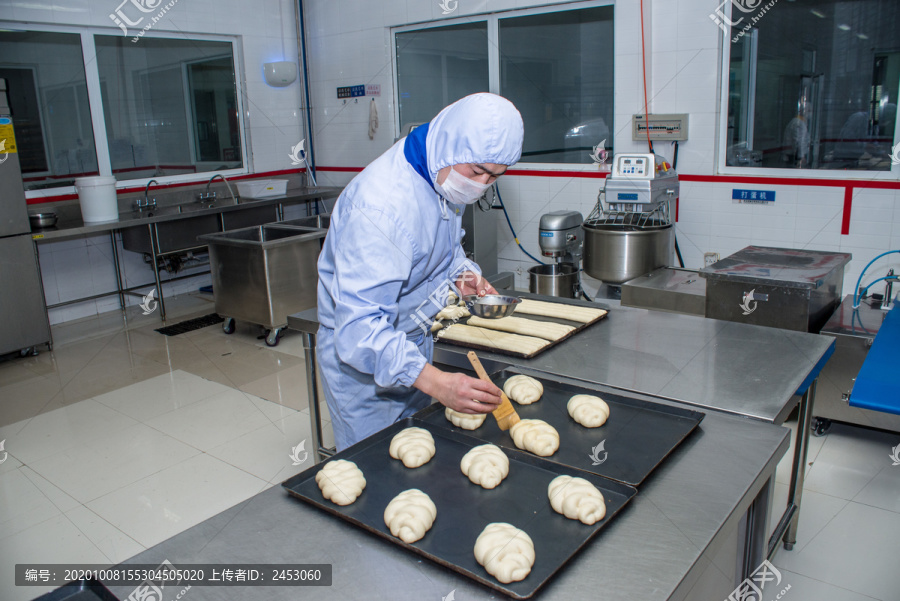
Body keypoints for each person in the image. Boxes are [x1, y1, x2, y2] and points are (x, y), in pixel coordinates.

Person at [316, 93, 525, 450]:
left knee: (419, 460)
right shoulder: (380, 209)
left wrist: (465, 278)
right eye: (477, 172)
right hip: (366, 368)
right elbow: (359, 329)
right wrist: (438, 383)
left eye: (494, 177)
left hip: (412, 345)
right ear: (449, 148)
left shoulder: (439, 175)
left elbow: (442, 252)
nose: (482, 185)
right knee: (377, 475)